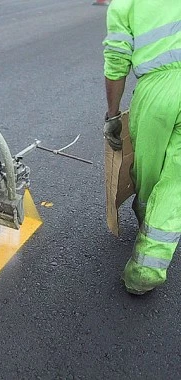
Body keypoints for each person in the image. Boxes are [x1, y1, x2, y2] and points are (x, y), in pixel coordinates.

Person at [103, 0, 181, 295]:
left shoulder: (125, 3)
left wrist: (113, 114)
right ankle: (153, 244)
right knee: (176, 181)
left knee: (148, 175)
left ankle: (147, 266)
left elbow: (116, 60)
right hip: (160, 88)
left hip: (155, 92)